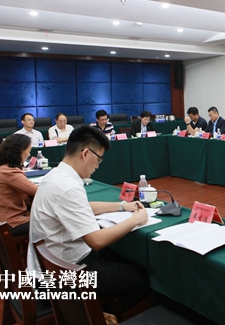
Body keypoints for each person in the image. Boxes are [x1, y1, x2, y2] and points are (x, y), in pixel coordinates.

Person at [27, 126, 150, 311]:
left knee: (124, 258)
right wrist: (136, 219)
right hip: (65, 275)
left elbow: (85, 207)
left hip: (56, 264)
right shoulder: (67, 186)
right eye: (98, 159)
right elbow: (96, 241)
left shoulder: (56, 175)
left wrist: (122, 206)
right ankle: (101, 316)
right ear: (85, 154)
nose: (98, 166)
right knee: (143, 278)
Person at [0, 134, 37, 236]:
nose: (29, 154)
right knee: (51, 222)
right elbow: (37, 190)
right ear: (20, 152)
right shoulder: (9, 172)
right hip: (5, 224)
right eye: (28, 150)